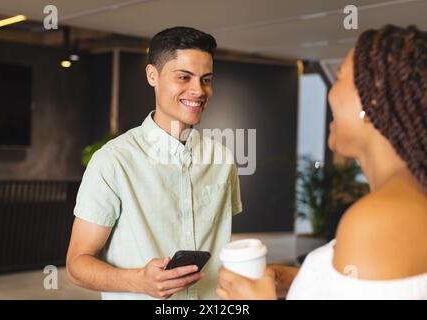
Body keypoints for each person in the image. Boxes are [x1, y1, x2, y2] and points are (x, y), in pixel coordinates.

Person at [217, 25, 427, 300]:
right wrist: (299, 281)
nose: (331, 93)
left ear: (371, 99)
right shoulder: (404, 203)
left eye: (340, 76)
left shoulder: (378, 219)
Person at [66, 26, 242, 300]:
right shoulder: (113, 161)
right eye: (184, 77)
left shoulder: (223, 160)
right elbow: (77, 264)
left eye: (206, 79)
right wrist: (138, 281)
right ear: (152, 75)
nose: (198, 90)